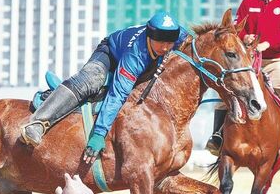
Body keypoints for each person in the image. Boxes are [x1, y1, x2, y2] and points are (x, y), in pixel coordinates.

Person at [20, 11, 189, 163]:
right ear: (149, 36)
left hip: (145, 64)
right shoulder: (135, 57)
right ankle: (37, 123)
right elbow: (117, 94)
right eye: (160, 43)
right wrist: (99, 134)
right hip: (109, 54)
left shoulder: (177, 35)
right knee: (92, 80)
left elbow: (195, 43)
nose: (166, 48)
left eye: (169, 43)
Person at [206, 0, 280, 157]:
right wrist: (245, 38)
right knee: (227, 88)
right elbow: (238, 29)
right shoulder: (249, 3)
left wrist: (265, 44)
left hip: (276, 60)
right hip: (248, 60)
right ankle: (217, 135)